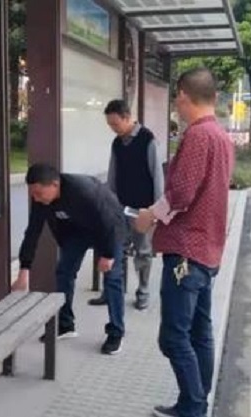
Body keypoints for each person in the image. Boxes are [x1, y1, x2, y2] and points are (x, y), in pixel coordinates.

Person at [134, 68, 235, 417]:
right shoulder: (221, 136)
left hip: (186, 253)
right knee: (200, 332)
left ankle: (193, 407)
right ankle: (195, 401)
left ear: (181, 96)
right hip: (208, 251)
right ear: (214, 97)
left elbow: (182, 193)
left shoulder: (197, 135)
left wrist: (150, 215)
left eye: (176, 98)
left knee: (174, 337)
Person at [12, 163, 128, 355]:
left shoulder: (84, 191)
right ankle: (65, 325)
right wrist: (24, 270)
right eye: (33, 194)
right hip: (77, 231)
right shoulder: (41, 200)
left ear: (55, 185)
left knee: (112, 277)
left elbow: (109, 221)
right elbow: (32, 232)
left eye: (39, 193)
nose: (36, 198)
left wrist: (107, 255)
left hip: (109, 228)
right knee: (64, 271)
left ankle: (116, 332)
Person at [88, 99, 163, 311]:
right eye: (110, 125)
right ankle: (112, 291)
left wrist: (155, 212)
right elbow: (112, 175)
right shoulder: (117, 143)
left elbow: (158, 177)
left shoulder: (148, 140)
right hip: (120, 208)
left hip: (142, 210)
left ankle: (143, 292)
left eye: (115, 124)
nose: (113, 128)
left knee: (143, 252)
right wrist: (109, 203)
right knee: (115, 249)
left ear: (127, 117)